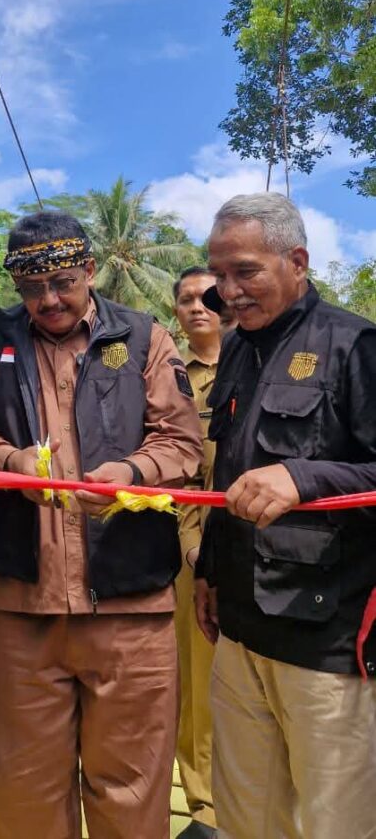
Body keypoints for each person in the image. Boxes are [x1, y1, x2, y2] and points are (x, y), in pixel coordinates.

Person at [0, 211, 203, 839]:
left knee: (131, 789)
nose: (48, 300)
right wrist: (9, 461)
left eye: (62, 282)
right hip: (24, 607)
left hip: (131, 608)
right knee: (25, 790)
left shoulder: (144, 338)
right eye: (32, 288)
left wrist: (132, 473)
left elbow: (182, 443)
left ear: (89, 271)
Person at [194, 193, 376, 838]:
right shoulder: (237, 349)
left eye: (245, 271)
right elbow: (229, 471)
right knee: (247, 820)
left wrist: (304, 476)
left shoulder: (355, 345)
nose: (227, 292)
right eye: (219, 274)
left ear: (297, 261)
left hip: (326, 642)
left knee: (336, 824)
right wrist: (208, 572)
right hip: (241, 632)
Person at [172, 267, 226, 839]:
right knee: (199, 685)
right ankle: (204, 807)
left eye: (207, 296)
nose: (197, 306)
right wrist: (192, 550)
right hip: (197, 550)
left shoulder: (258, 360)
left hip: (269, 548)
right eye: (185, 299)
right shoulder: (169, 375)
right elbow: (184, 476)